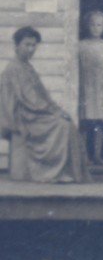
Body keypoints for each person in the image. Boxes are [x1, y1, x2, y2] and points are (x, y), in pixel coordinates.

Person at [0, 26, 91, 182]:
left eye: (33, 45)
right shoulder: (14, 68)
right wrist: (53, 111)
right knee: (63, 126)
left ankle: (66, 172)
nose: (31, 49)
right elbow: (30, 100)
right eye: (27, 45)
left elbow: (43, 95)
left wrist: (56, 109)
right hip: (24, 116)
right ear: (17, 46)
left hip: (34, 112)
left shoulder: (26, 66)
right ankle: (54, 172)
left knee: (66, 121)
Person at [78, 10, 103, 164]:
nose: (95, 27)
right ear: (87, 25)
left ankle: (97, 155)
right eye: (92, 24)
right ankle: (84, 156)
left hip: (101, 90)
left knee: (99, 123)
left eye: (99, 25)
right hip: (86, 89)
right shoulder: (80, 45)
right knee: (85, 122)